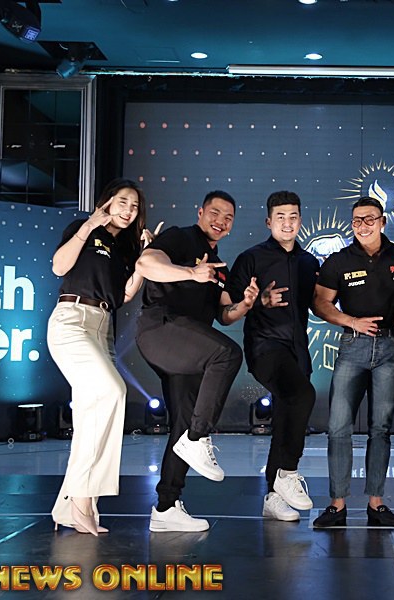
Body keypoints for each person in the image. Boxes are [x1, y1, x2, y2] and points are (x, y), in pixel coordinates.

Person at [135, 190, 259, 533]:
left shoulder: (219, 267)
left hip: (190, 343)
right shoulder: (180, 238)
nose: (221, 221)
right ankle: (199, 437)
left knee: (183, 423)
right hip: (161, 328)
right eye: (215, 213)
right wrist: (191, 272)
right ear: (200, 212)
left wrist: (245, 304)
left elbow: (224, 315)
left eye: (228, 218)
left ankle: (166, 507)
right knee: (227, 354)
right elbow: (146, 264)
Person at [48, 178, 151, 536]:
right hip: (72, 319)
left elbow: (123, 296)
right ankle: (81, 495)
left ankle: (69, 505)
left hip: (103, 327)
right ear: (107, 201)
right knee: (112, 391)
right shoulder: (84, 228)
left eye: (135, 206)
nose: (129, 210)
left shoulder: (125, 248)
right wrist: (89, 225)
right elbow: (59, 267)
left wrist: (142, 262)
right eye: (123, 202)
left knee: (94, 411)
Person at [311, 197, 394, 528]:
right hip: (352, 346)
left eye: (370, 219)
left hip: (389, 347)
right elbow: (320, 302)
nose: (363, 226)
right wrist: (351, 321)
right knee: (338, 427)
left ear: (383, 222)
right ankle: (337, 505)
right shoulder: (339, 260)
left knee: (381, 428)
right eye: (357, 220)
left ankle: (376, 503)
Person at [227, 191, 320, 522]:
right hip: (265, 347)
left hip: (298, 352)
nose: (287, 222)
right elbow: (229, 306)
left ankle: (273, 496)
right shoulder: (251, 258)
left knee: (287, 417)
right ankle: (288, 472)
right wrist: (257, 302)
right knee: (303, 395)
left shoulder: (309, 262)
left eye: (293, 216)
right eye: (280, 217)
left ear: (300, 220)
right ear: (269, 221)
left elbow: (320, 304)